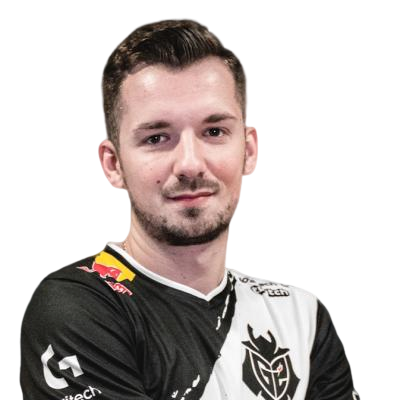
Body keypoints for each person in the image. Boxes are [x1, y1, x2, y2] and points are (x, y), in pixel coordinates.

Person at [19, 17, 360, 400]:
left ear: (249, 150)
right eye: (157, 137)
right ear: (113, 165)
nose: (190, 164)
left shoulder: (302, 315)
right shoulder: (80, 304)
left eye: (214, 132)